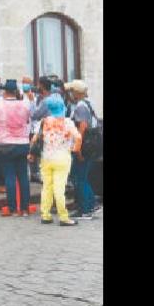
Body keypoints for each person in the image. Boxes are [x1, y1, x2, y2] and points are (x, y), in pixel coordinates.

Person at [29, 94, 81, 226]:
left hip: (46, 158)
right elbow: (78, 138)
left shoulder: (44, 121)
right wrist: (75, 149)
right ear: (62, 106)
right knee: (59, 188)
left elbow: (34, 139)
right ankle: (63, 217)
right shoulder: (67, 122)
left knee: (47, 187)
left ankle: (45, 215)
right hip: (62, 157)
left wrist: (32, 153)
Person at [0, 80, 31, 216]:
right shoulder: (25, 105)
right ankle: (25, 208)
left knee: (9, 176)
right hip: (22, 143)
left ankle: (12, 208)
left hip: (5, 143)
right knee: (23, 176)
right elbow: (27, 121)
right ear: (16, 91)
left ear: (4, 91)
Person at [65, 80, 100, 220]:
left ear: (77, 92)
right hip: (90, 146)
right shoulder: (88, 103)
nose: (70, 94)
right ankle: (91, 205)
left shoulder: (80, 106)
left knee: (79, 177)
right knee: (83, 176)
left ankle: (85, 210)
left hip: (83, 146)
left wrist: (77, 148)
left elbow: (83, 127)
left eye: (72, 91)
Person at [22, 76, 42, 183]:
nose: (25, 84)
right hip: (23, 128)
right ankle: (25, 174)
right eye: (24, 82)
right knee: (25, 152)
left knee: (33, 151)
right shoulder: (19, 95)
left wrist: (32, 101)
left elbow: (35, 113)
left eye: (28, 83)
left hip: (33, 128)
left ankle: (34, 173)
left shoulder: (35, 96)